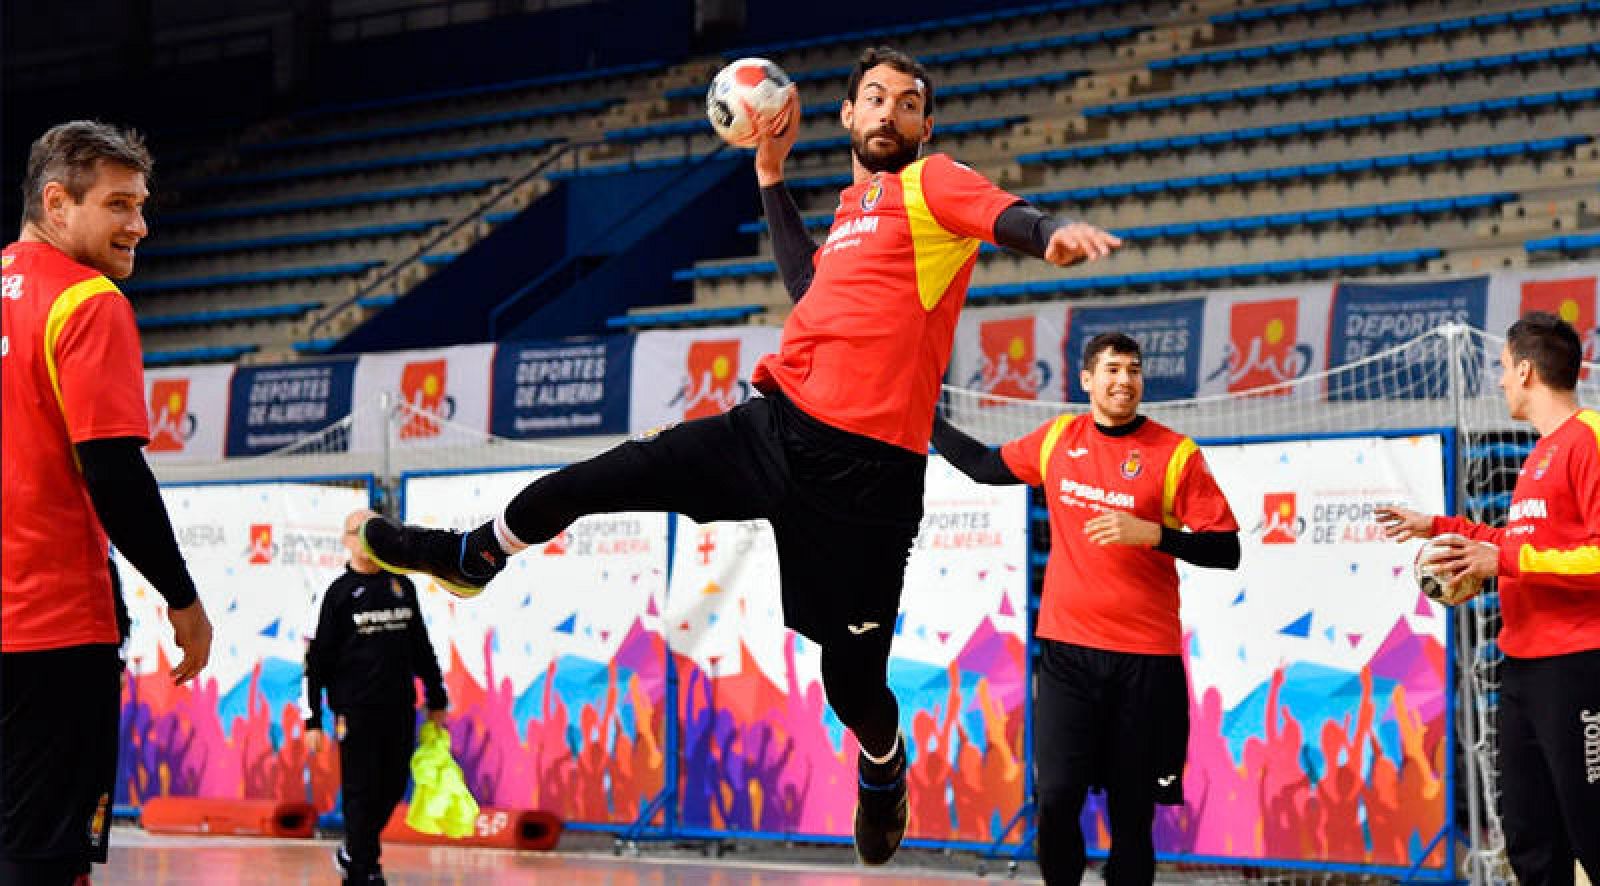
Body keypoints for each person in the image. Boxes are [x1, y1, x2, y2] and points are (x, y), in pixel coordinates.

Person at [357, 45, 1121, 865]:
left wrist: (1049, 236)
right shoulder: (855, 209)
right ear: (848, 117)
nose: (891, 113)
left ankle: (882, 761)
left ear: (925, 125)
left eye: (908, 103)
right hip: (772, 427)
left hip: (867, 482)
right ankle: (474, 554)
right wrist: (769, 174)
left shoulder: (931, 186)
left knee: (852, 683)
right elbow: (809, 286)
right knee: (600, 477)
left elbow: (1005, 216)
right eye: (875, 98)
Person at [931, 332, 1240, 885]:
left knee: (1132, 813)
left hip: (1144, 661)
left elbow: (1227, 549)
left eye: (1135, 370)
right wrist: (923, 420)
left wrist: (1157, 534)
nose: (1126, 380)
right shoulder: (1057, 440)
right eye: (1114, 369)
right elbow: (982, 464)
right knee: (1055, 797)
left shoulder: (1176, 454)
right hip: (1068, 656)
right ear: (1088, 381)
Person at [1, 120, 213, 886]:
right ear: (58, 203)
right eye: (119, 205)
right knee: (44, 858)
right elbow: (115, 474)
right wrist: (183, 597)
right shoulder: (88, 302)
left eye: (143, 204)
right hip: (54, 627)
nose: (140, 225)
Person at [1377, 312, 1600, 886]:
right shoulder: (1540, 454)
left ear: (1525, 370)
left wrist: (1499, 561)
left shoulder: (1588, 439)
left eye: (1502, 369)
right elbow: (1523, 546)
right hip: (1523, 668)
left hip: (1578, 668)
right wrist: (1441, 527)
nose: (1499, 381)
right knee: (1529, 840)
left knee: (1594, 832)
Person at [304, 509, 449, 886]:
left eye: (375, 532)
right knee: (360, 789)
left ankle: (354, 848)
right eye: (360, 532)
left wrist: (437, 697)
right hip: (355, 709)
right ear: (347, 540)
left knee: (393, 785)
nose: (368, 540)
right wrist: (314, 719)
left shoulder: (401, 586)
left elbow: (421, 646)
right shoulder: (339, 595)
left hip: (399, 706)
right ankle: (365, 868)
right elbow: (318, 661)